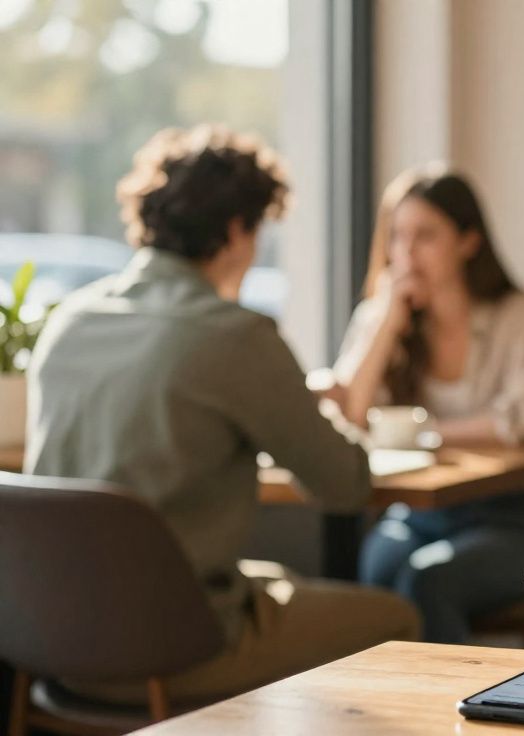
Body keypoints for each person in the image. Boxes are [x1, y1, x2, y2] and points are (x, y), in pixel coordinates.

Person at [25, 125, 419, 705]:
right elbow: (345, 483)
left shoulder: (69, 321)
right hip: (171, 653)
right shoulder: (235, 337)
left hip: (51, 650)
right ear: (237, 231)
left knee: (271, 581)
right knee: (397, 621)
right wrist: (313, 406)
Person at [333, 163, 524, 643]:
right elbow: (349, 414)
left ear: (468, 241)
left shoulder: (519, 314)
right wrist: (386, 323)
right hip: (415, 511)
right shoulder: (383, 318)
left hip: (504, 516)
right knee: (379, 563)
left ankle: (448, 712)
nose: (406, 253)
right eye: (397, 236)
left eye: (425, 236)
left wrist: (425, 433)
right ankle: (387, 714)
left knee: (427, 579)